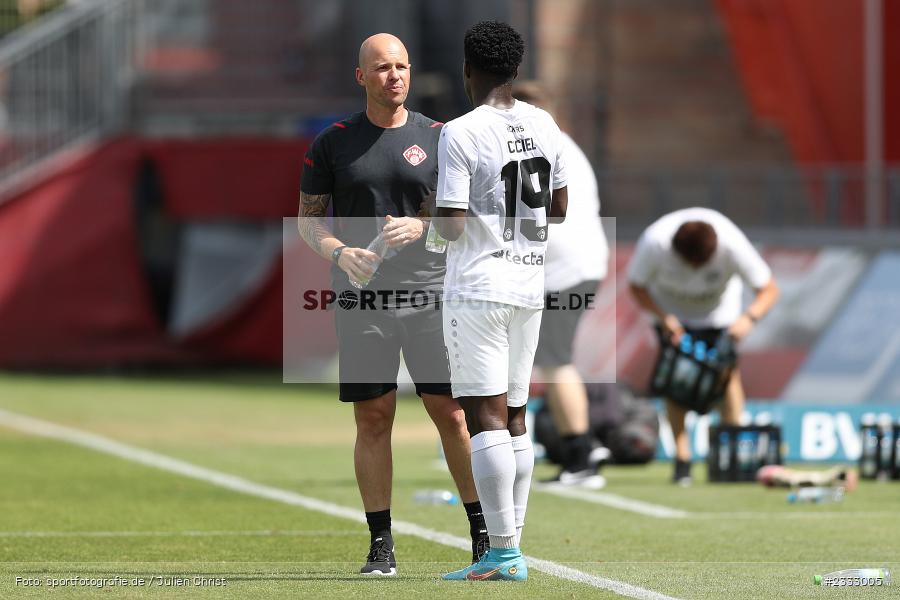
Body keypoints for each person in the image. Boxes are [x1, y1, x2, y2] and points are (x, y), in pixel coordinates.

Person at [298, 33, 487, 577]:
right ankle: (381, 545)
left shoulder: (441, 137)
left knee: (451, 413)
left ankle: (482, 535)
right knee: (373, 417)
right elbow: (310, 221)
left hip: (430, 295)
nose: (394, 76)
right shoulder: (332, 142)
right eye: (382, 68)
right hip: (362, 301)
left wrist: (422, 225)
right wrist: (341, 251)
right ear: (362, 77)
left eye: (402, 66)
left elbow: (468, 217)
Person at [434, 21, 568, 582]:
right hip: (529, 286)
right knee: (515, 416)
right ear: (516, 69)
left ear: (468, 69)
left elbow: (453, 225)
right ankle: (512, 546)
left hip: (479, 288)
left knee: (482, 416)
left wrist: (426, 220)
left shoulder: (460, 131)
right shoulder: (544, 123)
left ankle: (504, 552)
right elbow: (558, 208)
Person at [628, 207, 779, 485]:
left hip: (720, 316)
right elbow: (636, 286)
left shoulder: (731, 244)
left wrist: (749, 319)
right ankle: (682, 459)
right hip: (673, 319)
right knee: (677, 384)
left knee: (727, 378)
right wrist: (664, 319)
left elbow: (768, 289)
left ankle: (731, 452)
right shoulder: (655, 242)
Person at [512, 81, 610, 489]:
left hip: (564, 270)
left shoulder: (539, 148)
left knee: (555, 361)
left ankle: (581, 455)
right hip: (577, 265)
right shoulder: (564, 144)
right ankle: (580, 450)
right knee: (553, 360)